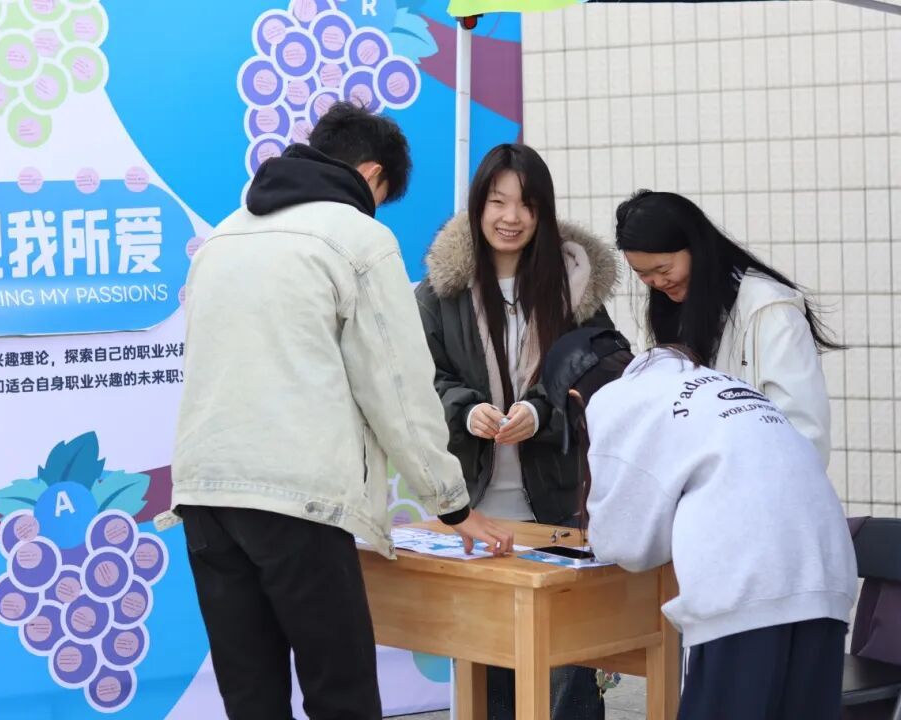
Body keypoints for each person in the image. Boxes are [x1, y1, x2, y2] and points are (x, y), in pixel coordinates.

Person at [168, 102, 513, 720]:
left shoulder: (222, 235)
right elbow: (398, 389)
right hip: (297, 499)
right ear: (373, 173)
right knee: (341, 694)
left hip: (204, 493)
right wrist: (453, 505)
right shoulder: (359, 239)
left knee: (250, 698)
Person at [541, 327, 858, 720]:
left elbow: (624, 544)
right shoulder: (706, 379)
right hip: (826, 575)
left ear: (576, 398)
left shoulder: (614, 399)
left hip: (746, 586)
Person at [415, 143, 616, 719]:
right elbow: (420, 380)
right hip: (475, 515)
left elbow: (603, 377)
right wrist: (464, 409)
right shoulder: (438, 294)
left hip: (557, 512)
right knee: (490, 681)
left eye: (526, 204)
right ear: (478, 206)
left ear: (543, 212)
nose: (511, 217)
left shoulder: (575, 290)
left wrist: (541, 411)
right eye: (497, 202)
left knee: (567, 679)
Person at [614, 190, 840, 468]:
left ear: (696, 247)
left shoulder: (769, 309)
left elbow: (804, 429)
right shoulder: (664, 312)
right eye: (643, 274)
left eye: (664, 269)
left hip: (761, 480)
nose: (658, 283)